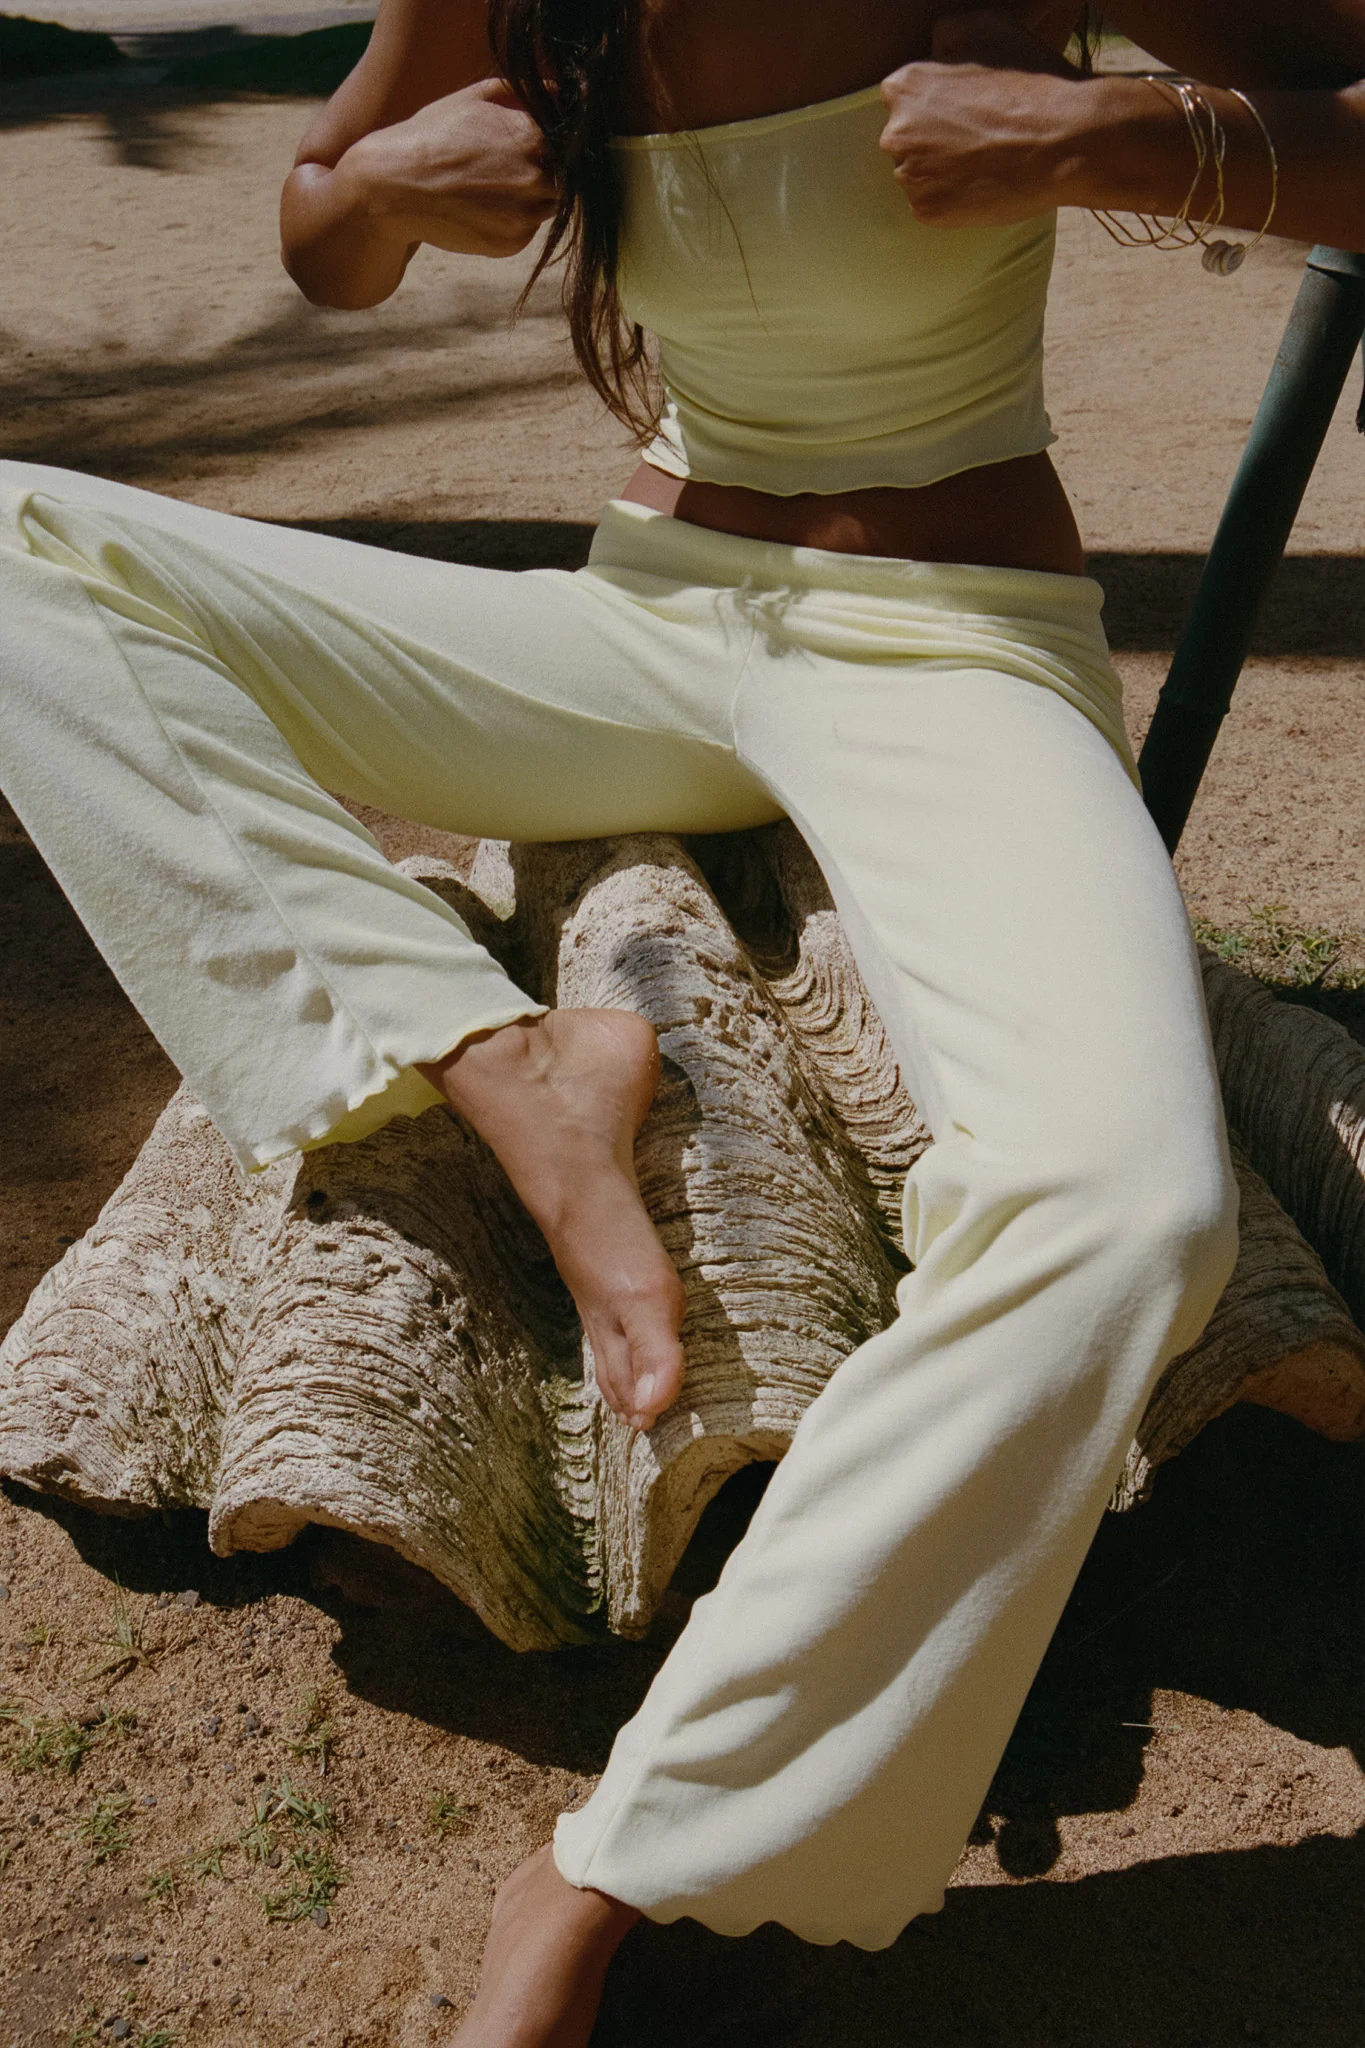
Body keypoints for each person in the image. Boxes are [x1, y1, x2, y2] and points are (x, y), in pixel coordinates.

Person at [1, 2, 1362, 2040]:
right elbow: (319, 228)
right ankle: (498, 1061)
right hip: (639, 619)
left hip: (949, 645)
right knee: (17, 544)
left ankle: (622, 1861)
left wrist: (1097, 135)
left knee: (1127, 1211)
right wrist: (385, 187)